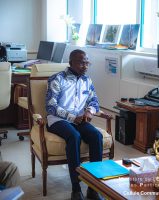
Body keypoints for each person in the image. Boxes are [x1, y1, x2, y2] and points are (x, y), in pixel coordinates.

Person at [46, 49, 103, 200]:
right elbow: (51, 106)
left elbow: (94, 100)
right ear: (71, 63)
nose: (85, 66)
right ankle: (76, 189)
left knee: (96, 135)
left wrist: (90, 111)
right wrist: (71, 117)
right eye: (81, 62)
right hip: (58, 120)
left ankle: (93, 188)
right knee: (74, 136)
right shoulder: (57, 79)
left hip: (79, 119)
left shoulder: (87, 80)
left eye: (86, 63)